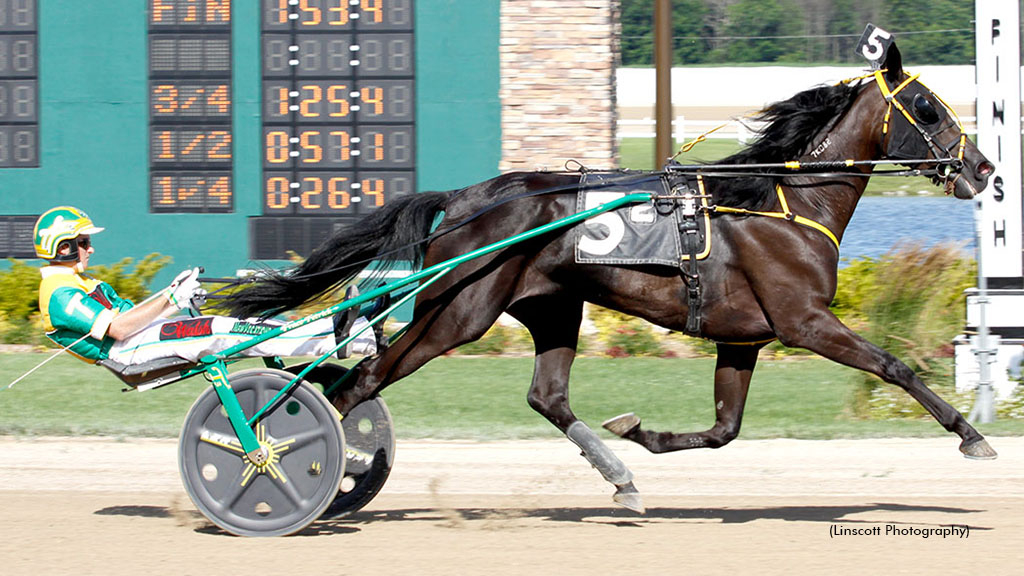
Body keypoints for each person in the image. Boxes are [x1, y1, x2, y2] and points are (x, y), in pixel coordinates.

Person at [34, 206, 376, 367]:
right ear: (61, 247)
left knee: (249, 325)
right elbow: (121, 329)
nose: (89, 248)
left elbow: (129, 317)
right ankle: (349, 340)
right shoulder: (61, 295)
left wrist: (174, 296)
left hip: (142, 337)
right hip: (127, 351)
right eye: (82, 242)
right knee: (223, 327)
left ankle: (344, 328)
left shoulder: (76, 281)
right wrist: (171, 298)